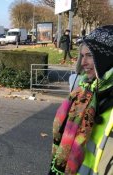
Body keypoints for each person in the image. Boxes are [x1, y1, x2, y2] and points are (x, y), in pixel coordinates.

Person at [48, 25, 113, 175]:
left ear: (107, 57)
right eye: (82, 56)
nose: (83, 62)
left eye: (90, 55)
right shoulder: (82, 92)